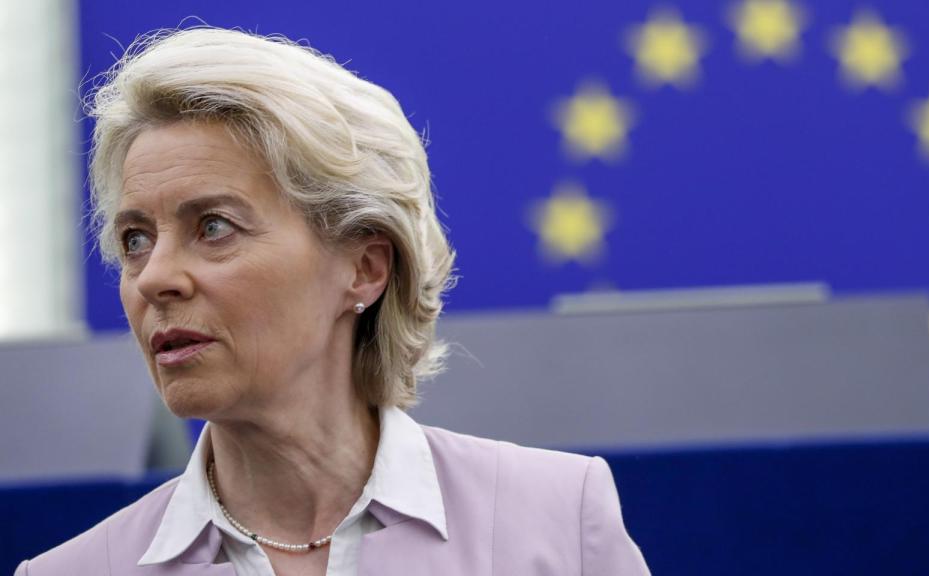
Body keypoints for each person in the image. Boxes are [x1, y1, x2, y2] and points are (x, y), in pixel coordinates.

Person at [16, 27, 650, 576]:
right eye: (135, 239)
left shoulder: (558, 523)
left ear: (364, 268)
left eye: (213, 227)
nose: (154, 278)